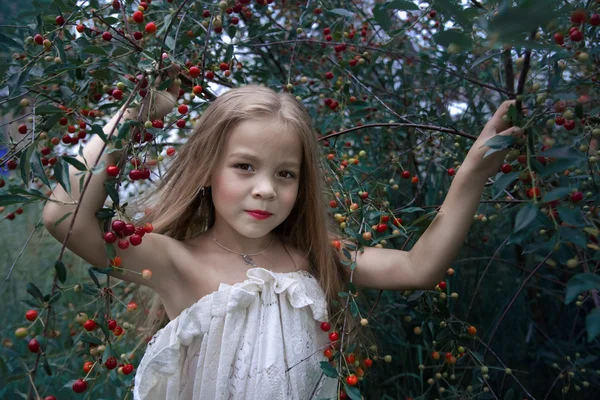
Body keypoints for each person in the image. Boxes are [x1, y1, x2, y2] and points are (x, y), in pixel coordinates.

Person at [42, 63, 522, 399]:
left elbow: (419, 266)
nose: (266, 189)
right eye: (245, 167)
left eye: (285, 174)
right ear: (208, 170)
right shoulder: (175, 262)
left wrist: (471, 176)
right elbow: (66, 217)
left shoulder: (313, 257)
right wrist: (132, 116)